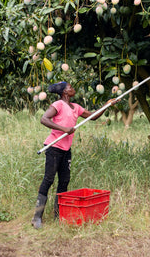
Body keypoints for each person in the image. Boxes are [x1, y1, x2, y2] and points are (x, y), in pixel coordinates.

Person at [31, 81, 115, 229]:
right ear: (64, 92)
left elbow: (93, 116)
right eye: (70, 87)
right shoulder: (58, 105)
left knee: (64, 181)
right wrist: (63, 129)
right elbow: (44, 119)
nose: (73, 88)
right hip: (54, 147)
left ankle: (59, 214)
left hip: (66, 149)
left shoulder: (76, 107)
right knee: (48, 179)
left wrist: (107, 105)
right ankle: (37, 217)